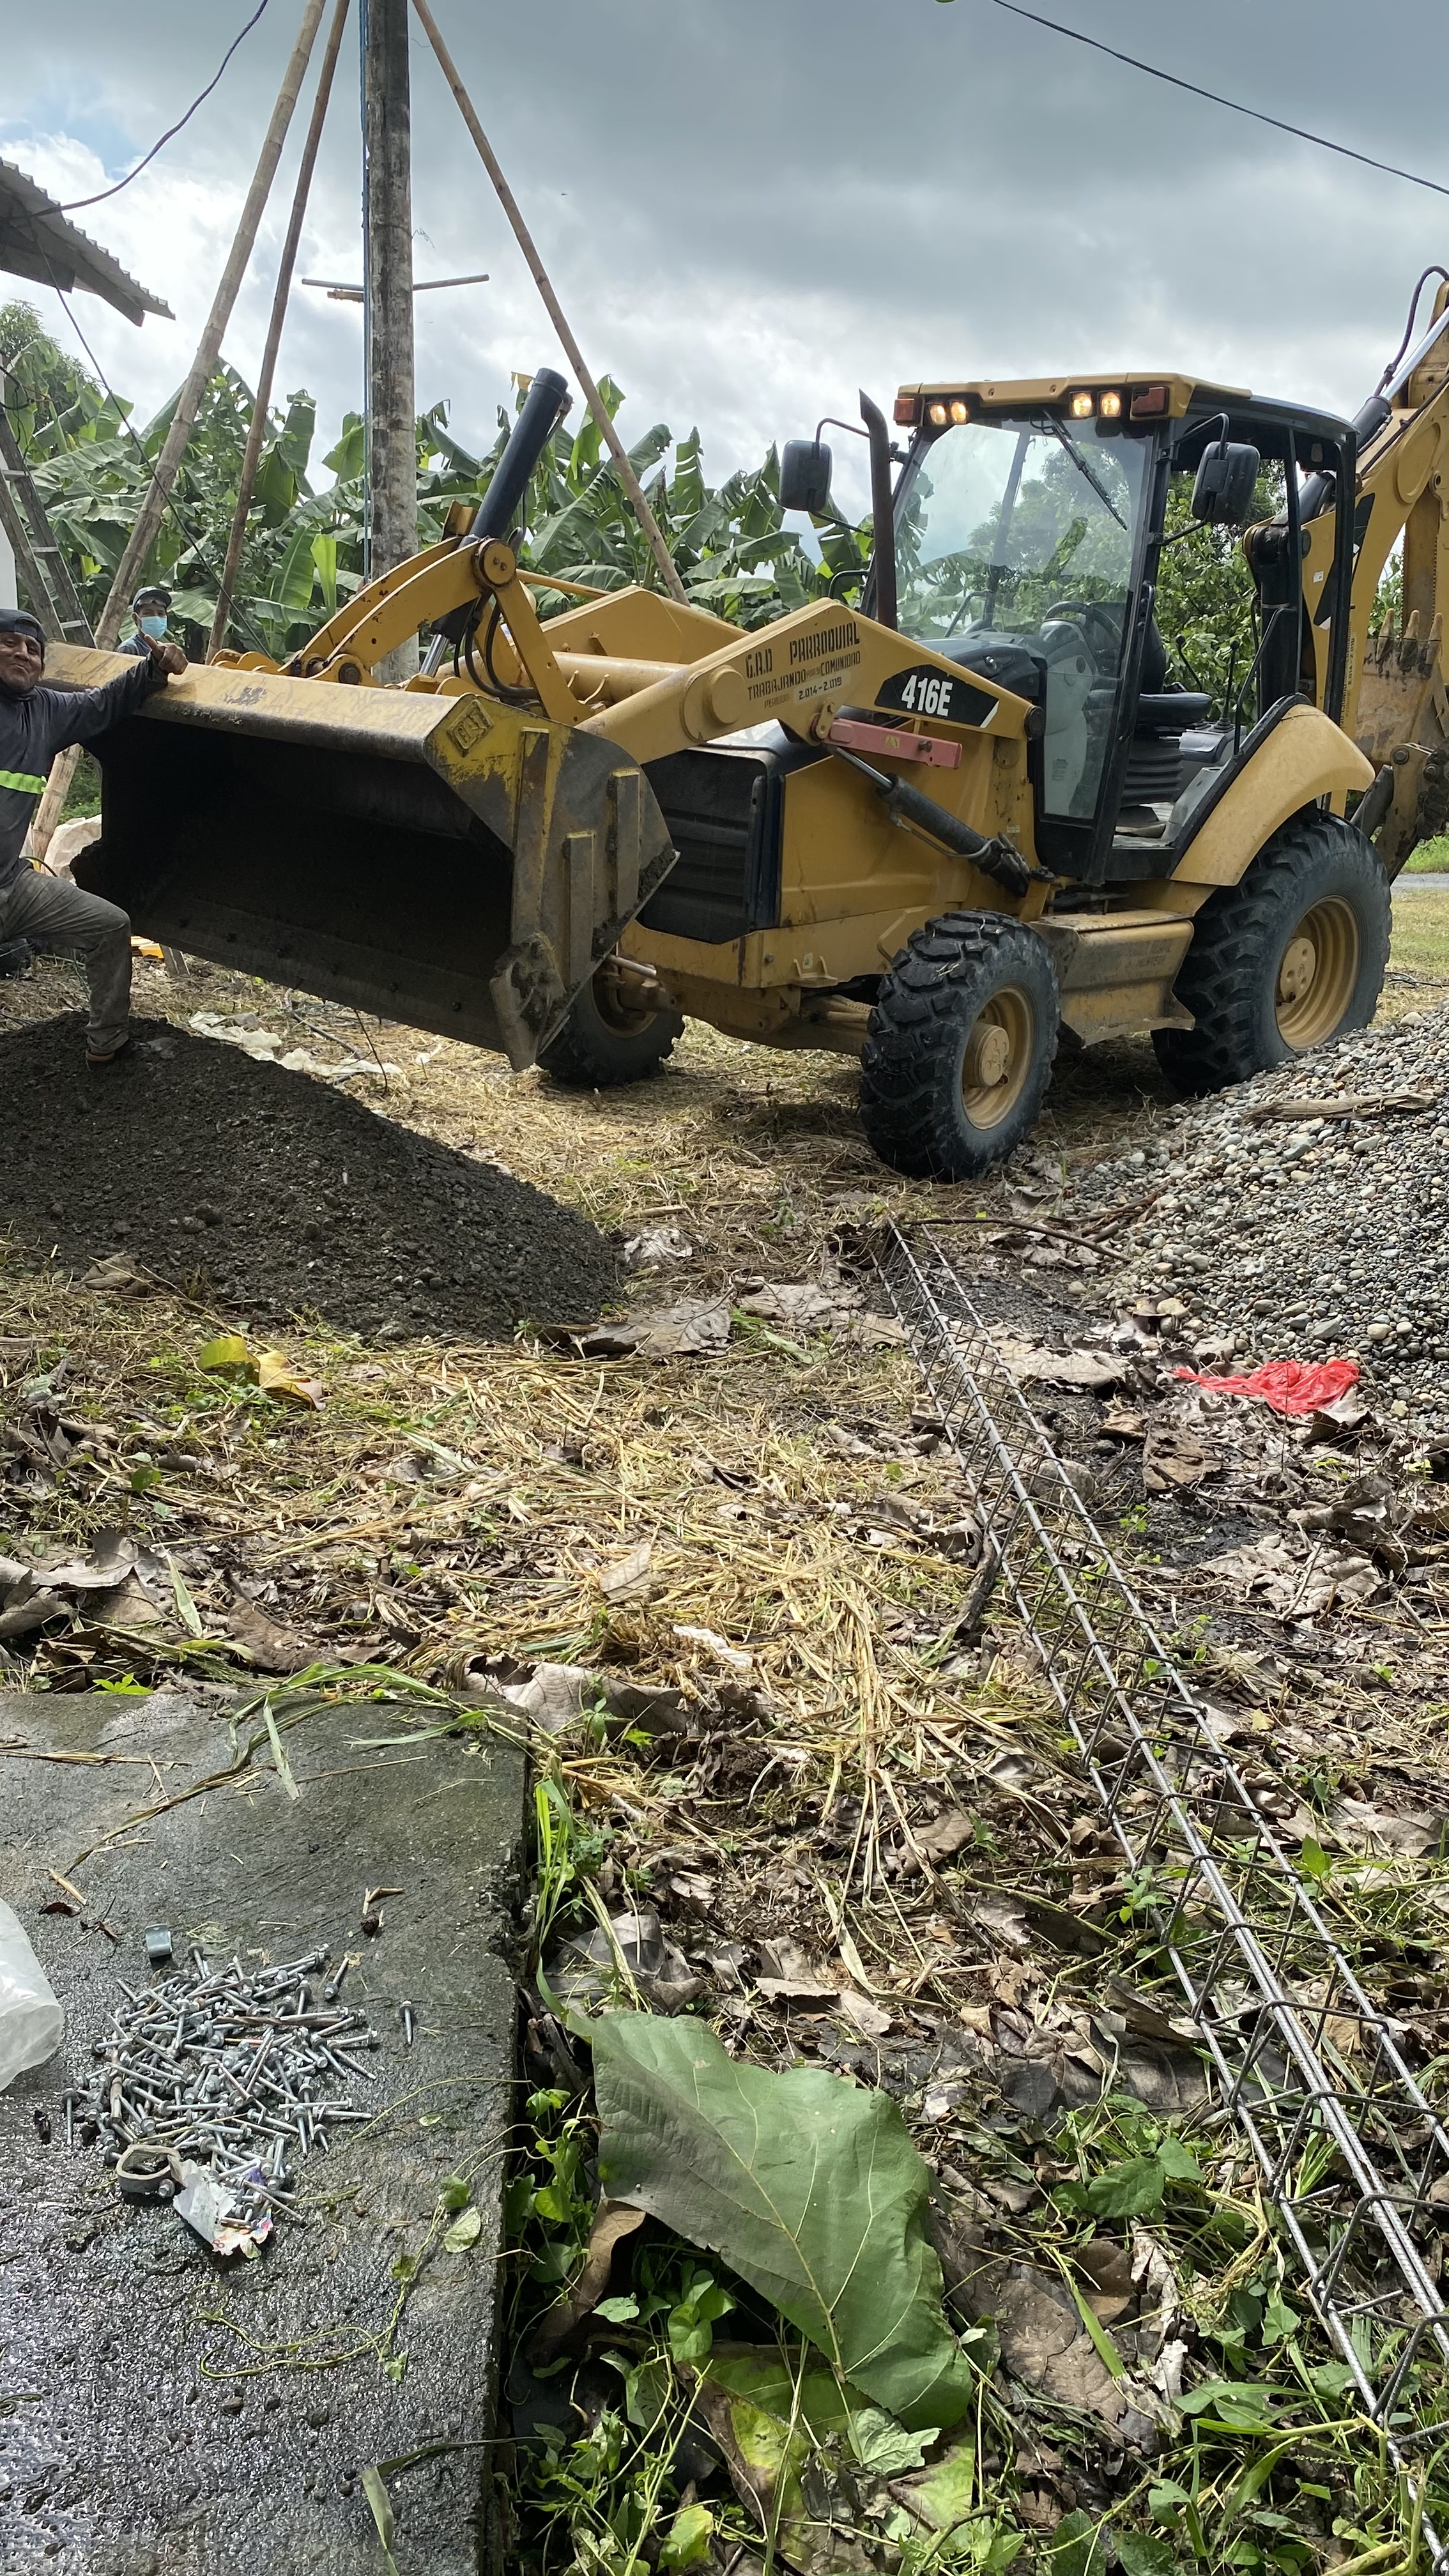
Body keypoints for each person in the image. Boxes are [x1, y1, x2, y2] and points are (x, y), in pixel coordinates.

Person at [0, 604, 187, 1065]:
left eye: (33, 649)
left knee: (110, 926)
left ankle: (108, 1045)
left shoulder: (44, 710)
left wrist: (154, 669)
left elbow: (103, 704)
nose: (22, 654)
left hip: (10, 885)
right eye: (8, 643)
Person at [121, 585, 172, 657]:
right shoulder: (130, 648)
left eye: (161, 614)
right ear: (135, 618)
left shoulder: (163, 649)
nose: (156, 618)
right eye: (148, 613)